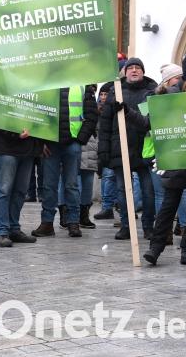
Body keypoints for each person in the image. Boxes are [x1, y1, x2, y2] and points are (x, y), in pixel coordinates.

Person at [146, 54, 186, 265]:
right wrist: (128, 112)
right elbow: (151, 119)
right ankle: (155, 248)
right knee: (169, 204)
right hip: (178, 159)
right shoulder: (172, 93)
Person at [97, 57, 157, 240]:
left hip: (143, 150)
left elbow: (149, 122)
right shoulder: (115, 93)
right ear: (125, 72)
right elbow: (105, 125)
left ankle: (148, 226)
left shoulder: (151, 93)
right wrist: (103, 152)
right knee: (123, 190)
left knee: (148, 191)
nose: (134, 70)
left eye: (138, 67)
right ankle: (126, 225)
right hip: (119, 148)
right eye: (130, 67)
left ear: (143, 72)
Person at [31, 84, 99, 238]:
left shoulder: (82, 85)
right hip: (50, 144)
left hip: (72, 143)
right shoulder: (46, 84)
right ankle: (47, 223)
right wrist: (41, 142)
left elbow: (91, 115)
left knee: (71, 185)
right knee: (49, 186)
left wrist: (80, 139)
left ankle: (73, 222)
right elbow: (37, 114)